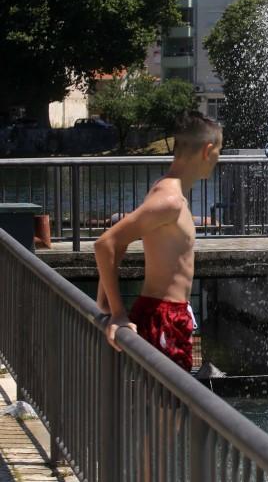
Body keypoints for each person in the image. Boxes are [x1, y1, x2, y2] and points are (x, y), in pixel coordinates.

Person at [95, 111, 222, 370]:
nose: (220, 157)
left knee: (170, 404)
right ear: (207, 150)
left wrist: (105, 301)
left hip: (168, 314)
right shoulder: (170, 201)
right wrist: (116, 312)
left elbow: (119, 243)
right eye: (220, 150)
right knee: (170, 406)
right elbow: (106, 243)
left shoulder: (166, 191)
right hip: (164, 316)